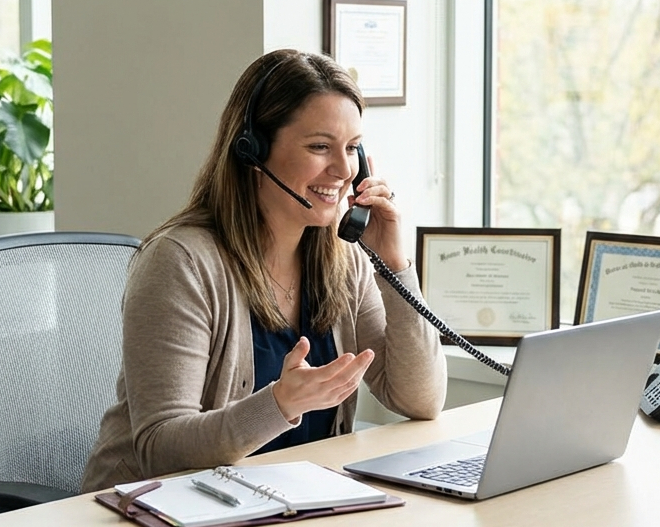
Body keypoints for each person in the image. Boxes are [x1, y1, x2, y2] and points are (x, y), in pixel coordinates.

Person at [82, 49, 447, 493]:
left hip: (282, 509)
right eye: (319, 146)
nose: (344, 170)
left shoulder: (341, 257)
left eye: (352, 149)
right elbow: (160, 447)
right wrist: (278, 404)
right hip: (157, 520)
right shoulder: (181, 262)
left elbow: (421, 400)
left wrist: (394, 266)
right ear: (252, 150)